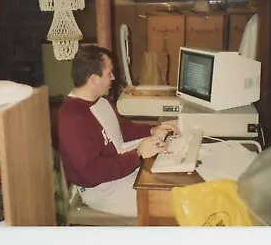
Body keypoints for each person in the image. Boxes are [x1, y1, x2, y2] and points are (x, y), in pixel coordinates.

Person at [57, 45, 179, 217]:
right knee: (171, 204)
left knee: (174, 176)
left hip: (119, 170)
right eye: (109, 73)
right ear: (93, 79)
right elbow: (91, 171)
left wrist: (152, 130)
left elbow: (122, 129)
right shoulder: (72, 117)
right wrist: (137, 154)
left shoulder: (101, 101)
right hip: (101, 190)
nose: (113, 78)